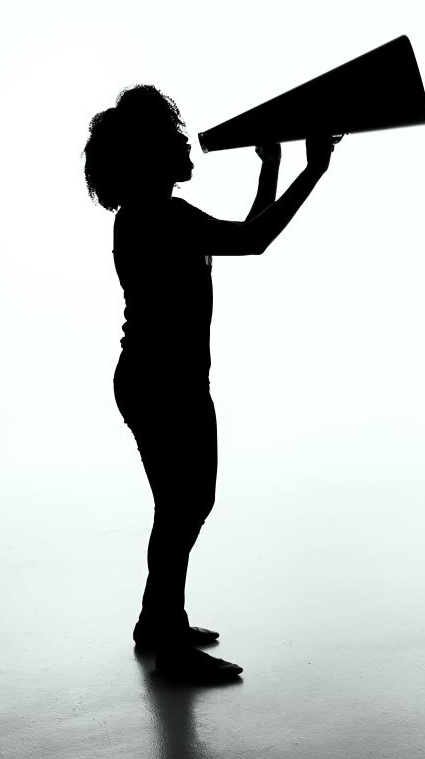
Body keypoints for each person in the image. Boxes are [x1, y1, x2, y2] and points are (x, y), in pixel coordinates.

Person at [83, 85, 335, 682]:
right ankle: (168, 643)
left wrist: (272, 167)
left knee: (180, 506)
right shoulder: (161, 217)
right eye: (175, 139)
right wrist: (313, 169)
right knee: (183, 506)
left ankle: (157, 620)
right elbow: (255, 240)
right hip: (165, 384)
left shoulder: (148, 215)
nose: (187, 145)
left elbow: (245, 231)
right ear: (152, 158)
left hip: (154, 380)